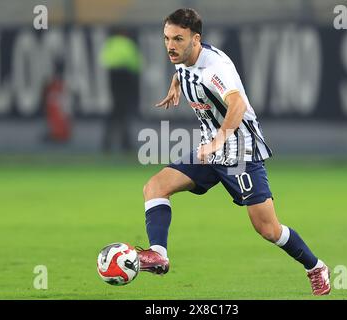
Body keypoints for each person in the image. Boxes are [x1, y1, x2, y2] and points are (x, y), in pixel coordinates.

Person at [136, 8, 331, 296]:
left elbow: (237, 104)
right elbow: (183, 69)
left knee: (268, 229)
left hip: (241, 152)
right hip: (209, 149)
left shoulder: (215, 68)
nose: (170, 45)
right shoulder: (184, 56)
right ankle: (158, 254)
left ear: (196, 39)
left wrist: (218, 142)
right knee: (155, 186)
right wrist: (175, 85)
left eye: (178, 39)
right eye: (166, 38)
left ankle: (315, 266)